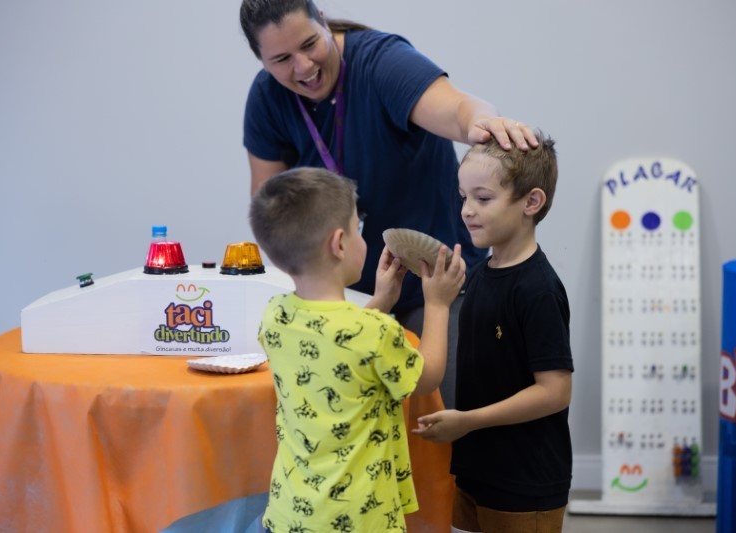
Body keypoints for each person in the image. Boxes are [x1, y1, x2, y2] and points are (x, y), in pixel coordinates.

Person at [240, 0, 538, 409]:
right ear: (261, 60)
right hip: (343, 297)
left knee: (447, 412)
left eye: (309, 44)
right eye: (281, 59)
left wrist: (480, 123)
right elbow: (270, 211)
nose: (304, 66)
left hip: (436, 281)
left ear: (323, 20)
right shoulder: (267, 98)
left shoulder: (382, 62)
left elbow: (458, 109)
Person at [249, 167, 465, 532]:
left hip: (293, 513)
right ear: (339, 243)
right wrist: (439, 304)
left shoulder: (276, 315)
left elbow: (335, 342)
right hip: (361, 518)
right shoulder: (376, 332)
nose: (361, 237)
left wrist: (381, 300)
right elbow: (427, 378)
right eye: (357, 227)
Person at [413, 132, 573, 533]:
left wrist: (468, 420)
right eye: (463, 197)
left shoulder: (538, 289)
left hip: (524, 483)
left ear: (531, 202)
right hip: (476, 471)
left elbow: (555, 391)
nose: (467, 210)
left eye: (482, 199)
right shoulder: (480, 274)